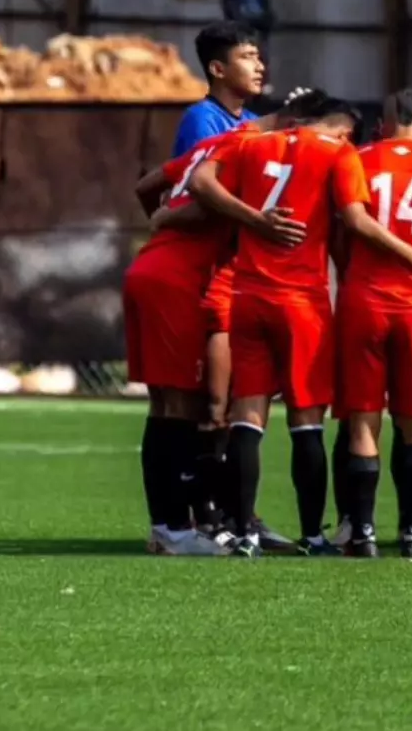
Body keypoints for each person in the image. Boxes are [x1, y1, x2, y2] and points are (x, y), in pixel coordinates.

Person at [189, 99, 412, 557]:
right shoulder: (339, 152)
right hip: (302, 301)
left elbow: (200, 180)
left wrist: (254, 219)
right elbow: (355, 220)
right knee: (306, 422)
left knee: (247, 415)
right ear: (343, 131)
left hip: (248, 294)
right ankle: (312, 534)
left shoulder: (251, 142)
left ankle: (244, 532)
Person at [122, 106, 306, 558]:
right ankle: (178, 528)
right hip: (180, 280)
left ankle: (173, 526)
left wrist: (163, 221)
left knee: (167, 405)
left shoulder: (214, 143)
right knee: (185, 406)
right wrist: (256, 221)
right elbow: (204, 196)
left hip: (152, 267)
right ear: (293, 126)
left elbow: (148, 186)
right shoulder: (250, 147)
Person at [333, 89, 412, 558]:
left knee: (364, 422)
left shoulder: (356, 158)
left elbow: (343, 233)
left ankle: (362, 535)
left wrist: (353, 275)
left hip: (364, 300)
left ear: (383, 125)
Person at [170, 22, 263, 158]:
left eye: (257, 58)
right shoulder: (202, 120)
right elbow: (200, 171)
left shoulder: (254, 120)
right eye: (247, 57)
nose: (260, 67)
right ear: (218, 69)